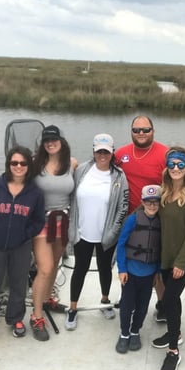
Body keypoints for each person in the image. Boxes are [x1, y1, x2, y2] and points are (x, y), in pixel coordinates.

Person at [0, 146, 45, 345]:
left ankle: (15, 319)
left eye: (23, 163)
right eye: (14, 163)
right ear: (8, 165)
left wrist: (25, 235)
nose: (19, 166)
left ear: (28, 166)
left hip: (20, 246)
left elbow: (39, 221)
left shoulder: (35, 193)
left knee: (18, 285)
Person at [66, 133, 129, 330]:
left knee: (105, 269)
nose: (102, 155)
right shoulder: (81, 170)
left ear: (112, 153)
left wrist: (114, 231)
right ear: (93, 151)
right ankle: (73, 308)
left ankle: (104, 300)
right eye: (99, 151)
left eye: (106, 152)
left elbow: (123, 206)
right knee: (80, 269)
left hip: (106, 235)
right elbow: (67, 189)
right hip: (82, 233)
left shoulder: (119, 176)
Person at [151, 146, 185, 370]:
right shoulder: (163, 193)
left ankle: (174, 350)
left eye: (180, 164)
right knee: (170, 300)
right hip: (165, 257)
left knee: (170, 298)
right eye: (171, 164)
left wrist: (181, 262)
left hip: (184, 259)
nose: (175, 168)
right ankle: (177, 332)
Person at [115, 115, 168, 322]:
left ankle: (162, 303)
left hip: (157, 219)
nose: (141, 134)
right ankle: (127, 297)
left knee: (156, 265)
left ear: (153, 131)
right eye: (137, 130)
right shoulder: (121, 154)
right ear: (131, 132)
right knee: (128, 261)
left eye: (145, 130)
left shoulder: (164, 154)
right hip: (130, 219)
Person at [31, 125, 78, 341]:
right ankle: (36, 315)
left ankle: (48, 297)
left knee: (56, 263)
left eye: (54, 139)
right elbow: (14, 179)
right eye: (46, 140)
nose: (50, 143)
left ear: (61, 141)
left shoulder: (72, 164)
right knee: (45, 267)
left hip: (63, 221)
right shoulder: (34, 164)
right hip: (41, 222)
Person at [115, 185, 162, 354]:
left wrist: (157, 271)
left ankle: (135, 331)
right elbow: (121, 245)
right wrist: (122, 269)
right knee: (127, 305)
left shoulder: (160, 222)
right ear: (142, 202)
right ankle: (125, 333)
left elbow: (160, 249)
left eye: (155, 202)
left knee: (143, 306)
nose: (152, 205)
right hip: (131, 273)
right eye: (148, 202)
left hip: (148, 274)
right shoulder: (132, 220)